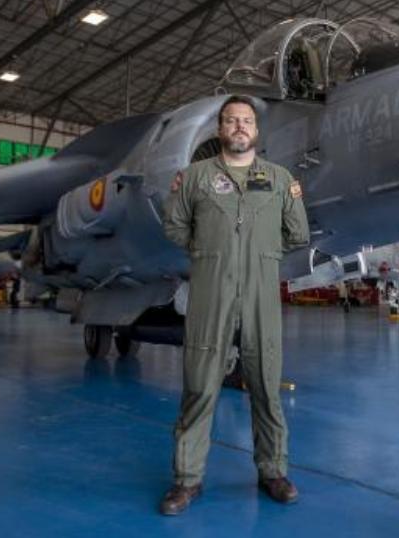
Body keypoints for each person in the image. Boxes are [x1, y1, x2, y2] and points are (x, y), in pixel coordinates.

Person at [159, 95, 310, 515]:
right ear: (220, 129)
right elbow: (173, 226)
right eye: (231, 120)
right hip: (212, 290)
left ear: (256, 131)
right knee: (200, 385)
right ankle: (187, 480)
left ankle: (273, 472)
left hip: (261, 293)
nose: (240, 126)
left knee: (266, 386)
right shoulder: (195, 177)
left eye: (247, 120)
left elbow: (298, 233)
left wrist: (262, 253)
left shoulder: (279, 179)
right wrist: (210, 251)